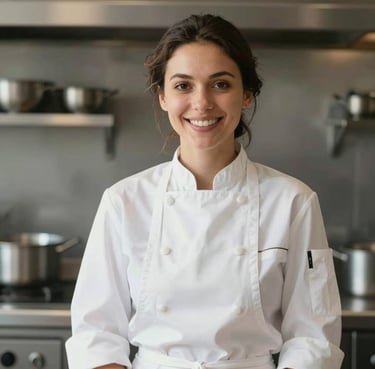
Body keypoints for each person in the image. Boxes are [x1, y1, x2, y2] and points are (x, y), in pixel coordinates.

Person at [65, 14, 344, 369]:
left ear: (247, 94)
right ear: (162, 96)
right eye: (183, 86)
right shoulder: (124, 201)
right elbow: (96, 334)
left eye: (220, 84)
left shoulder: (293, 201)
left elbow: (313, 335)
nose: (202, 103)